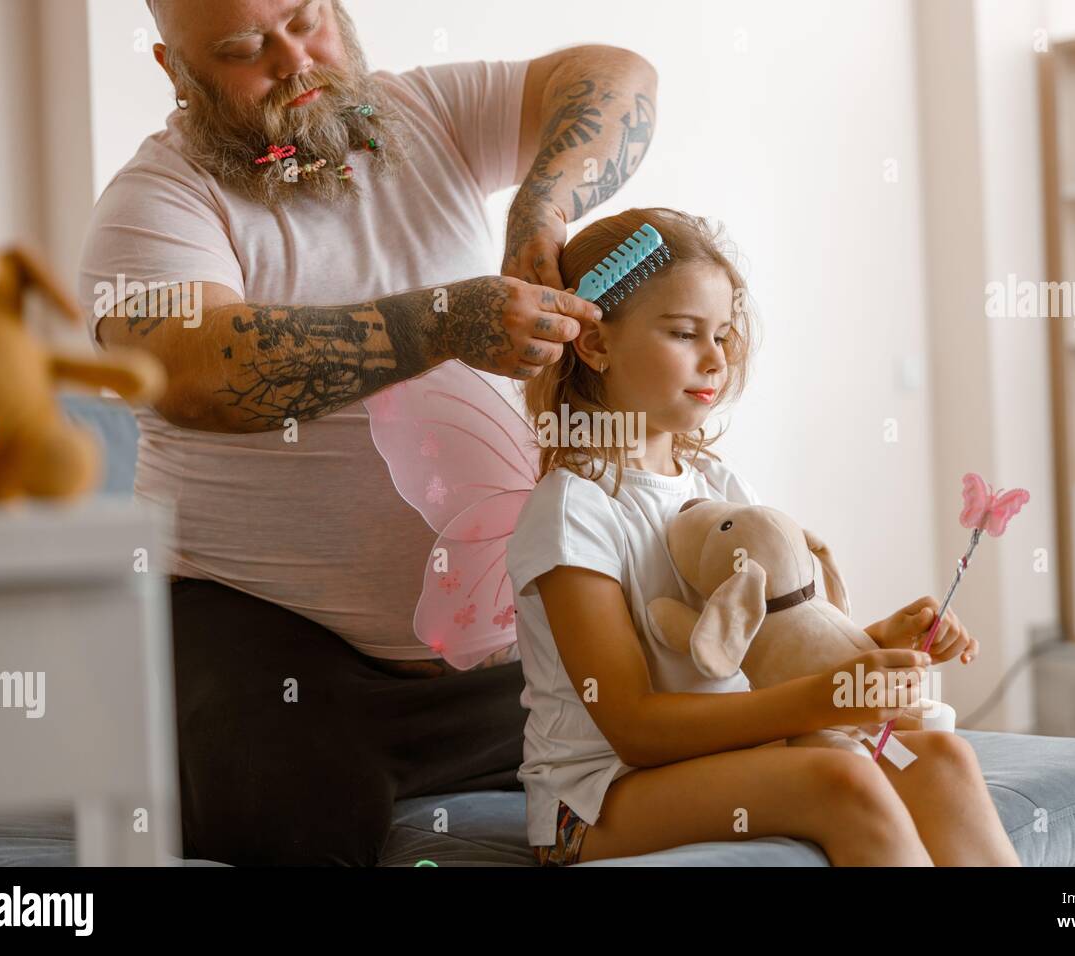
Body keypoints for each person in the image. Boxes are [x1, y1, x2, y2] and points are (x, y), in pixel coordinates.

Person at [77, 0, 657, 865]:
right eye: (244, 49)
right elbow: (196, 371)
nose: (293, 59)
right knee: (291, 816)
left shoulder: (425, 113)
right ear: (175, 70)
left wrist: (541, 207)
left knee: (660, 711)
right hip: (263, 638)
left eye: (306, 20)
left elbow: (617, 74)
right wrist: (437, 325)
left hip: (489, 659)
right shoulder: (153, 201)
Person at [504, 207, 1020, 866]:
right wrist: (824, 699)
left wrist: (881, 642)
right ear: (597, 344)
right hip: (597, 801)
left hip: (726, 756)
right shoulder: (574, 512)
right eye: (685, 333)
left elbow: (776, 636)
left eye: (722, 333)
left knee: (938, 753)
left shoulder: (717, 479)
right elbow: (633, 728)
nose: (715, 357)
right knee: (842, 778)